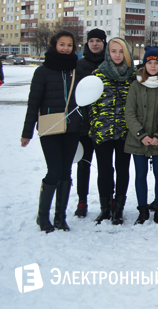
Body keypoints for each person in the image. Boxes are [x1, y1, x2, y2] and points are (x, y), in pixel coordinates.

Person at [21, 31, 83, 232]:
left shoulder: (77, 70)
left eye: (69, 45)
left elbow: (86, 99)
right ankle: (43, 217)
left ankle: (60, 217)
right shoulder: (43, 71)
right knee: (54, 170)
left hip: (72, 128)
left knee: (66, 172)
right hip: (49, 127)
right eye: (62, 44)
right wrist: (27, 132)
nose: (65, 48)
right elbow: (33, 104)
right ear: (54, 45)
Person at [89, 38, 135, 225]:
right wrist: (96, 124)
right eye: (113, 51)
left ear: (126, 54)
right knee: (105, 170)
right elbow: (91, 104)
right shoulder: (98, 75)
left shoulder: (133, 76)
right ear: (108, 53)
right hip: (103, 132)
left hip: (125, 132)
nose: (117, 55)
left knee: (122, 170)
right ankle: (105, 207)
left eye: (121, 51)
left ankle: (119, 208)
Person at [124, 48, 158, 225]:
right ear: (145, 64)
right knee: (140, 174)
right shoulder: (136, 85)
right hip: (138, 139)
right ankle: (142, 210)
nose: (153, 66)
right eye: (149, 62)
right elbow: (130, 113)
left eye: (156, 63)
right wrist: (140, 135)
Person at [74, 28, 107, 218]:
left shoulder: (109, 64)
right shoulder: (79, 65)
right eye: (91, 40)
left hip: (105, 126)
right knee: (83, 165)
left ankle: (107, 201)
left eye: (98, 41)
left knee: (104, 167)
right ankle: (82, 201)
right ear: (87, 43)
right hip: (84, 126)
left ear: (104, 42)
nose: (95, 44)